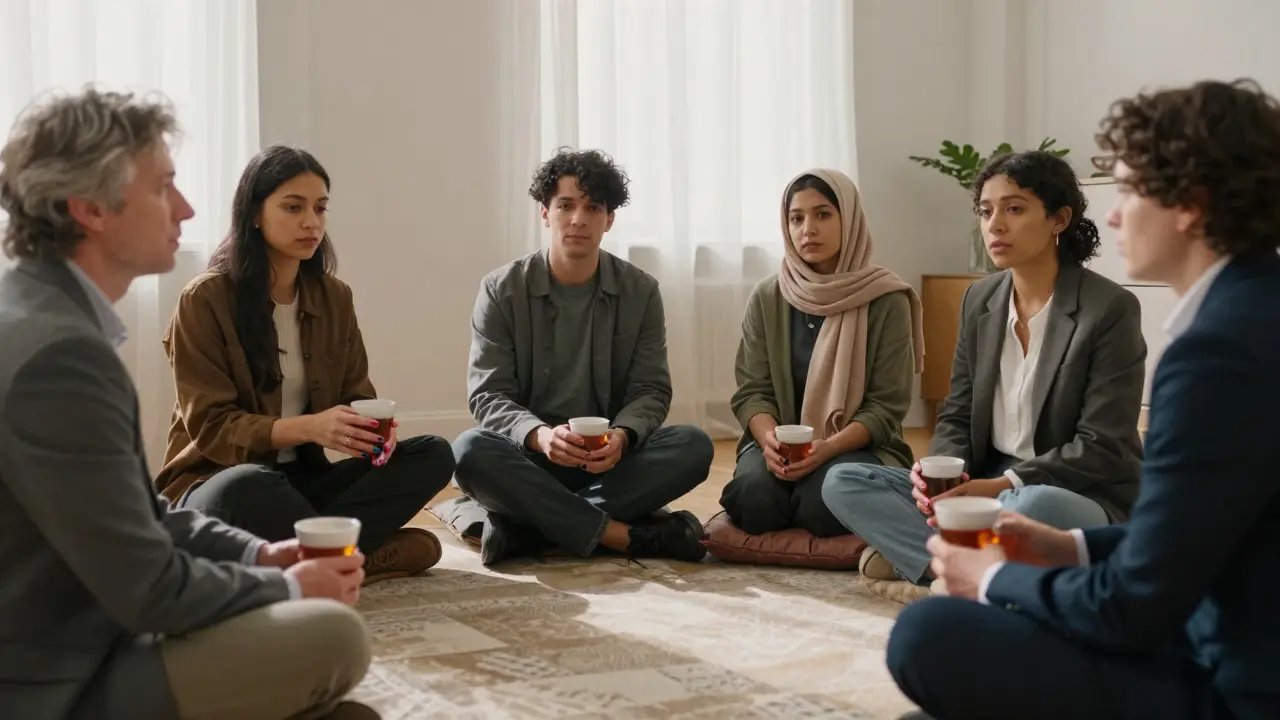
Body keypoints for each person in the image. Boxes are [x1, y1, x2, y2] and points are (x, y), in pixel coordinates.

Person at [888, 79, 1280, 720]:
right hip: (1218, 619)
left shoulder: (1217, 353)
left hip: (1232, 684)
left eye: (1129, 191)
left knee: (923, 634)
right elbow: (1202, 540)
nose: (1115, 215)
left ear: (1191, 204)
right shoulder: (1253, 312)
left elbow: (1132, 607)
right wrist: (1067, 549)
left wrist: (992, 579)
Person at [0, 89, 373, 719]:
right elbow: (149, 586)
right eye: (162, 187)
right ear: (90, 207)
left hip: (87, 628)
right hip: (52, 678)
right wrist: (283, 585)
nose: (187, 208)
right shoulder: (59, 356)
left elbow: (142, 515)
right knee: (335, 638)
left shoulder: (41, 318)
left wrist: (259, 553)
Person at [822, 150, 1146, 602]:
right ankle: (964, 570)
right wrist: (942, 478)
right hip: (985, 484)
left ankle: (938, 562)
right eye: (986, 211)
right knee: (844, 481)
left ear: (1059, 219)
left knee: (1031, 504)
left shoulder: (1108, 309)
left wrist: (1001, 486)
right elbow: (956, 413)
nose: (995, 225)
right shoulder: (980, 300)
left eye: (1014, 209)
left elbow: (1101, 445)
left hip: (1075, 492)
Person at [154, 145, 455, 585]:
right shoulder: (205, 299)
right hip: (218, 482)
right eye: (293, 207)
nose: (312, 222)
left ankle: (317, 556)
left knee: (434, 453)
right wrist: (310, 427)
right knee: (249, 486)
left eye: (320, 208)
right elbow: (213, 428)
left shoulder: (334, 297)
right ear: (254, 214)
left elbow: (355, 394)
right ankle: (361, 554)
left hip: (302, 482)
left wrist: (368, 434)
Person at [450, 148, 715, 565]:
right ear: (545, 213)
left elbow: (650, 389)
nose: (578, 219)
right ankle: (621, 535)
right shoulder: (501, 290)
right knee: (468, 451)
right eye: (566, 205)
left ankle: (529, 529)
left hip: (609, 464)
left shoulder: (641, 291)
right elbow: (488, 395)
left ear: (609, 220)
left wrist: (622, 436)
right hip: (531, 458)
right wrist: (540, 436)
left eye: (593, 208)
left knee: (693, 445)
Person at [719, 169, 923, 538]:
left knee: (822, 504)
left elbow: (885, 406)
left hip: (852, 444)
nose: (808, 229)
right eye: (796, 218)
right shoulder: (768, 296)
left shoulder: (886, 299)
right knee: (751, 497)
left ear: (851, 220)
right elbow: (752, 391)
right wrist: (769, 441)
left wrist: (827, 448)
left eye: (823, 214)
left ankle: (808, 502)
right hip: (779, 444)